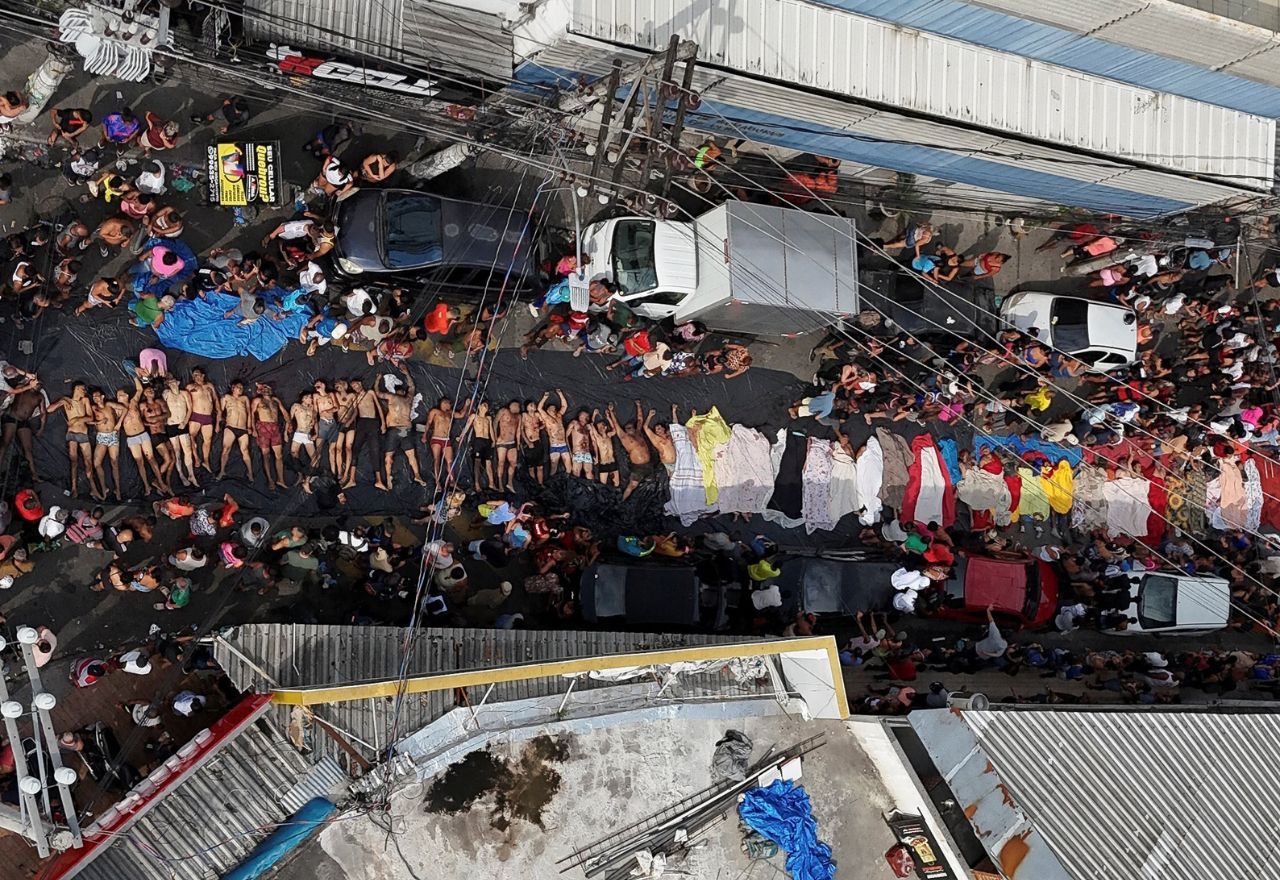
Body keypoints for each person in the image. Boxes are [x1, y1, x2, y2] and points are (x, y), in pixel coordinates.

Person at [48, 382, 101, 499]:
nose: (84, 391)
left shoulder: (85, 400)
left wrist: (77, 419)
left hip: (83, 433)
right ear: (76, 389)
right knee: (74, 462)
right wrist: (61, 401)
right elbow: (49, 410)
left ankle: (93, 488)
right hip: (72, 434)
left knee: (88, 462)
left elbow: (90, 417)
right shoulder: (66, 400)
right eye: (83, 389)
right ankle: (74, 488)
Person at [377, 370, 426, 489]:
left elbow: (412, 386)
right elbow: (378, 393)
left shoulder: (408, 399)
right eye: (400, 390)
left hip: (405, 430)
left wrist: (407, 373)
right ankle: (388, 478)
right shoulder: (392, 397)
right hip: (394, 430)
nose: (401, 392)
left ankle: (417, 475)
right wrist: (377, 380)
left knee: (411, 455)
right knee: (388, 457)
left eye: (402, 391)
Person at [606, 402, 653, 501]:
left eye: (631, 427)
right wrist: (611, 412)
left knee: (650, 484)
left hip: (648, 464)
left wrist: (638, 406)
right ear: (626, 430)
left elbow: (640, 419)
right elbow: (616, 425)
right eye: (627, 428)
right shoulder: (625, 437)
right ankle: (622, 501)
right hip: (638, 467)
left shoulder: (638, 433)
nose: (630, 429)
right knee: (632, 485)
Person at [217, 380, 255, 482]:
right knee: (226, 449)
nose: (241, 389)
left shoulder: (245, 398)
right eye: (239, 387)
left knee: (245, 450)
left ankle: (250, 473)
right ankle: (222, 471)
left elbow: (249, 412)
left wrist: (249, 426)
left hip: (243, 429)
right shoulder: (226, 397)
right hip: (230, 427)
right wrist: (217, 425)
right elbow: (220, 412)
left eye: (242, 388)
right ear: (233, 388)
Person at [186, 367, 219, 472]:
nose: (196, 377)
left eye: (197, 374)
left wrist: (219, 414)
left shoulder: (209, 386)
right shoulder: (190, 386)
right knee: (190, 436)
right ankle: (196, 458)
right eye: (194, 375)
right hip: (195, 415)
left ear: (203, 375)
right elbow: (184, 399)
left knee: (208, 440)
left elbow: (215, 399)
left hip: (208, 417)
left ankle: (206, 461)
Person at [536, 389, 571, 476]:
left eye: (554, 408)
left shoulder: (559, 416)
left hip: (563, 444)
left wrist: (560, 394)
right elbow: (539, 408)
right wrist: (545, 397)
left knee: (569, 467)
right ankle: (552, 484)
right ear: (547, 411)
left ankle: (568, 483)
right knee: (553, 468)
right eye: (551, 408)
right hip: (554, 445)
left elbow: (564, 406)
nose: (554, 410)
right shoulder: (546, 418)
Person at [466, 400, 497, 491]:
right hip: (478, 440)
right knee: (477, 463)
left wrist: (494, 440)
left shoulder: (488, 418)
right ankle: (477, 483)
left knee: (489, 463)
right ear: (479, 406)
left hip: (487, 440)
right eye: (484, 405)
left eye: (487, 406)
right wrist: (461, 436)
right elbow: (467, 426)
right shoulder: (474, 416)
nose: (486, 407)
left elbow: (491, 429)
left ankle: (491, 483)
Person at [423, 396, 454, 486]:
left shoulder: (450, 413)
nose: (448, 404)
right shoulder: (435, 411)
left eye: (449, 403)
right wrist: (425, 435)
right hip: (436, 438)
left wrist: (466, 406)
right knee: (437, 460)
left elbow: (461, 415)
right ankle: (437, 482)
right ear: (442, 403)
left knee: (450, 461)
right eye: (446, 402)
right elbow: (428, 422)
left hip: (446, 439)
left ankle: (452, 480)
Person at [495, 400, 521, 492]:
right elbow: (495, 422)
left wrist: (518, 444)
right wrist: (494, 438)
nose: (517, 407)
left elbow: (518, 431)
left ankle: (510, 483)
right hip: (502, 441)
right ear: (510, 406)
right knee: (501, 462)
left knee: (513, 463)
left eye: (518, 406)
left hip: (512, 442)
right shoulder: (504, 411)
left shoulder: (518, 416)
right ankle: (500, 484)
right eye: (515, 405)